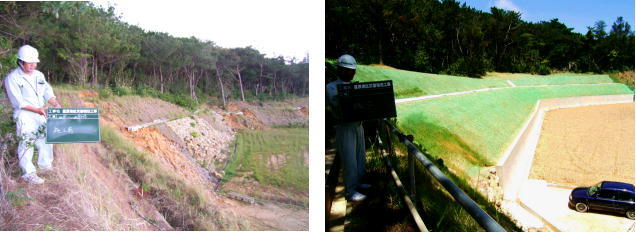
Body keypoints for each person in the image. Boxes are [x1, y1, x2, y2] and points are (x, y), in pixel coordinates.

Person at [4, 45, 61, 184]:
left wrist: (55, 103)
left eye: (35, 62)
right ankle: (28, 173)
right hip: (25, 115)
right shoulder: (12, 79)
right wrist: (38, 110)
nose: (33, 65)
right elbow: (19, 102)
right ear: (21, 62)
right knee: (27, 141)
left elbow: (47, 92)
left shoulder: (39, 75)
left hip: (40, 113)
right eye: (30, 63)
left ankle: (45, 166)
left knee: (46, 138)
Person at [326, 54, 370, 202]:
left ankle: (358, 183)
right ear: (341, 70)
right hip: (345, 127)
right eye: (349, 70)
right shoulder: (331, 87)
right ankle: (350, 191)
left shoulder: (355, 86)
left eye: (353, 70)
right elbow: (339, 105)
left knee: (359, 156)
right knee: (349, 158)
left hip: (358, 125)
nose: (352, 73)